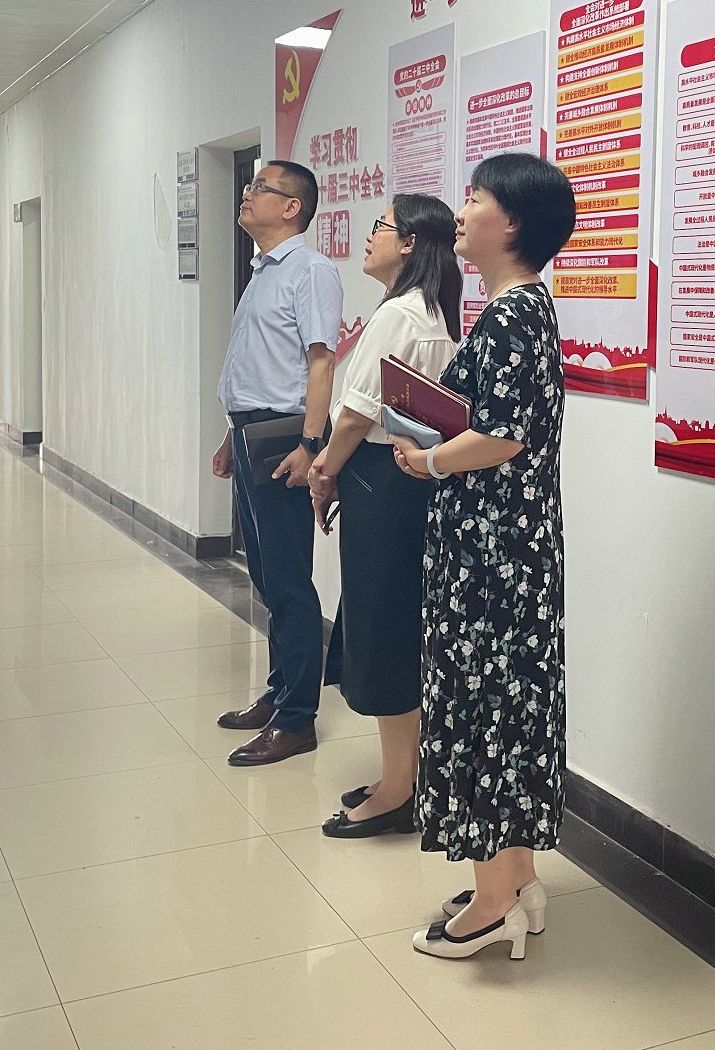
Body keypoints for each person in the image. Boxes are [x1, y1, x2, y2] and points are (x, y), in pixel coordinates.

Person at [387, 154, 576, 962]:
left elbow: (500, 436)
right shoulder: (527, 307)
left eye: (476, 199)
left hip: (489, 555)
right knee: (512, 705)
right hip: (514, 548)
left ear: (515, 223)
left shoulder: (508, 316)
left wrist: (427, 458)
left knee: (483, 709)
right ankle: (518, 879)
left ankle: (494, 903)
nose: (461, 213)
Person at [307, 195, 461, 838]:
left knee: (384, 633)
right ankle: (404, 775)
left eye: (381, 227)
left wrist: (324, 471)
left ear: (411, 243)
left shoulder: (401, 314)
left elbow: (355, 416)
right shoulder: (427, 312)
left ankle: (400, 791)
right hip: (402, 484)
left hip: (383, 483)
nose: (370, 237)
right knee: (393, 627)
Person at [211, 159, 342, 767]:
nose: (247, 194)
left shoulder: (310, 271)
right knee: (265, 575)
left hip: (285, 437)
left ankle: (296, 720)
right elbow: (259, 363)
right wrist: (231, 436)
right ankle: (279, 691)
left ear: (291, 207)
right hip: (251, 433)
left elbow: (321, 364)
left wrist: (310, 446)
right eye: (250, 185)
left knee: (288, 579)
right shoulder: (263, 270)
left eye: (259, 187)